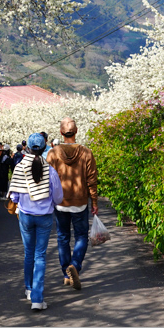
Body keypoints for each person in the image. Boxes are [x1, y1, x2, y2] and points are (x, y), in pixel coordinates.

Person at [9, 133, 63, 311]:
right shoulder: (50, 170)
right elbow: (58, 196)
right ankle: (38, 299)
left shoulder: (19, 167)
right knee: (40, 256)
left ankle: (29, 289)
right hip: (45, 217)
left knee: (28, 253)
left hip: (25, 215)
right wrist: (49, 203)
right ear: (43, 148)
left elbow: (14, 195)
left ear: (28, 148)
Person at [46, 117, 99, 290]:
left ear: (61, 133)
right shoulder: (86, 153)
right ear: (76, 132)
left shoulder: (53, 153)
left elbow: (47, 179)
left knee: (62, 237)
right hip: (80, 201)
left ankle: (66, 273)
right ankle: (75, 266)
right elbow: (92, 179)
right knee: (81, 236)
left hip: (60, 202)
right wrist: (94, 201)